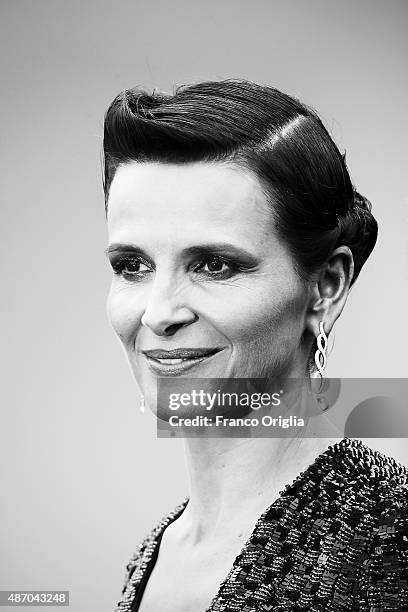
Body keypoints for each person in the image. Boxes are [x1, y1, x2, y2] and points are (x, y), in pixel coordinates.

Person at [103, 80, 408, 611]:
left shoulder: (389, 540)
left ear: (326, 285)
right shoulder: (154, 552)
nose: (157, 313)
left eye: (215, 265)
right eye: (133, 266)